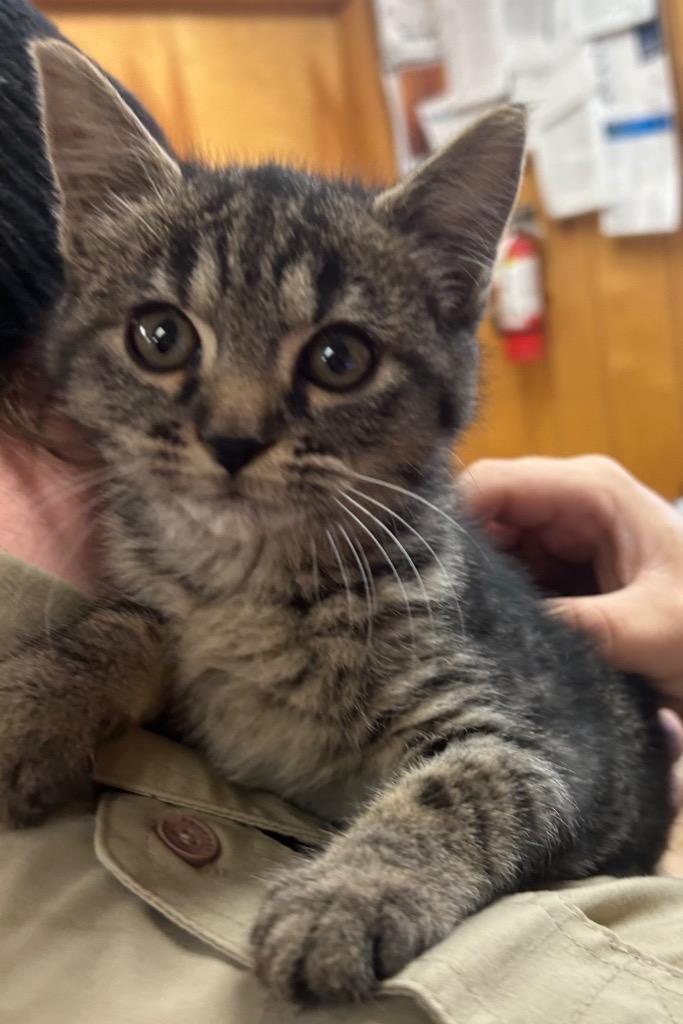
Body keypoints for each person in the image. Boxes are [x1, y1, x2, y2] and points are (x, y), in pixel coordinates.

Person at [2, 3, 683, 1021]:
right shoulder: (131, 552)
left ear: (449, 303)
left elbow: (531, 776)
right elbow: (156, 633)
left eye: (335, 359)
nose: (234, 425)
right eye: (162, 338)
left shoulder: (407, 578)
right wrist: (104, 660)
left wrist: (395, 869)